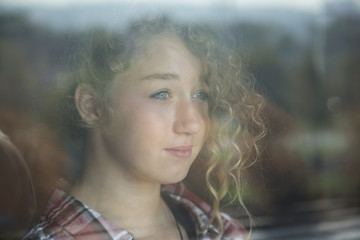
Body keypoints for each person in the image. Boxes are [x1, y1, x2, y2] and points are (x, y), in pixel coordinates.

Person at [23, 15, 265, 240]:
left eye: (201, 94)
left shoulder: (223, 231)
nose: (192, 123)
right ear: (92, 106)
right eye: (162, 94)